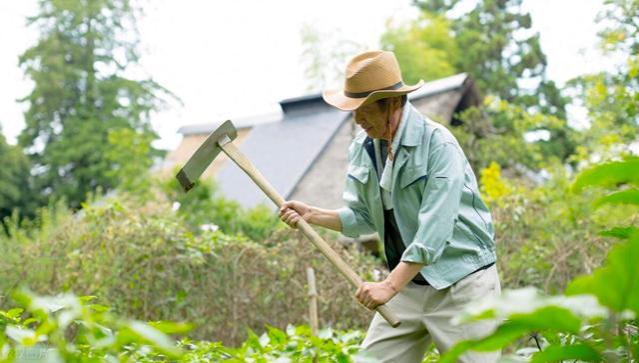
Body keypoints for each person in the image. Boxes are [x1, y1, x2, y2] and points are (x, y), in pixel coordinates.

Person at [279, 50, 501, 362]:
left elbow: (434, 231)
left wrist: (388, 285)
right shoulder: (365, 147)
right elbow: (364, 217)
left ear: (393, 103)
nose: (357, 119)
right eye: (353, 109)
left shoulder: (439, 145)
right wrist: (313, 214)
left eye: (364, 109)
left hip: (462, 284)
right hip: (410, 285)